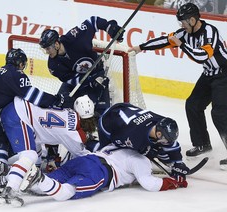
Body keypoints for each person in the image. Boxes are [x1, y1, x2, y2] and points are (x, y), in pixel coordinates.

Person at [129, 3, 227, 169]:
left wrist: (181, 45)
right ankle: (202, 145)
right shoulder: (185, 32)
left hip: (224, 75)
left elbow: (202, 56)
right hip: (209, 75)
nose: (181, 25)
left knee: (219, 113)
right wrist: (140, 48)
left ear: (193, 20)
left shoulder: (210, 32)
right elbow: (165, 41)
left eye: (183, 22)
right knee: (193, 105)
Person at [0, 48, 70, 184]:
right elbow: (33, 96)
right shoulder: (16, 74)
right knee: (0, 140)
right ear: (21, 63)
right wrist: (56, 100)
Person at [0, 95, 98, 204]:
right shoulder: (74, 134)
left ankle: (7, 177)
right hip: (19, 115)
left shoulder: (69, 112)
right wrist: (99, 157)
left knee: (36, 154)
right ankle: (10, 188)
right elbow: (82, 155)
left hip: (18, 109)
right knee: (30, 155)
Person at [15, 143, 187, 204]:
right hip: (99, 172)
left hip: (84, 159)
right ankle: (40, 178)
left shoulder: (118, 144)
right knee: (67, 192)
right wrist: (174, 182)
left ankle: (21, 178)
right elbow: (149, 184)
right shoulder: (140, 161)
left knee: (44, 187)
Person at [39, 16, 125, 115]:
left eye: (48, 48)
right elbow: (72, 80)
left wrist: (110, 27)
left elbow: (93, 21)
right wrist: (91, 81)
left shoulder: (75, 38)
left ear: (57, 44)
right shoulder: (53, 65)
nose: (46, 52)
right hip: (79, 82)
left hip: (97, 72)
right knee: (61, 107)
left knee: (101, 113)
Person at [95, 102, 190, 183]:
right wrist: (147, 152)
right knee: (107, 153)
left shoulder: (162, 122)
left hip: (126, 109)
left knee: (153, 149)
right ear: (159, 133)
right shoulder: (133, 135)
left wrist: (178, 162)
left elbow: (171, 144)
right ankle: (91, 144)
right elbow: (115, 140)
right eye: (164, 140)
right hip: (108, 121)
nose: (166, 143)